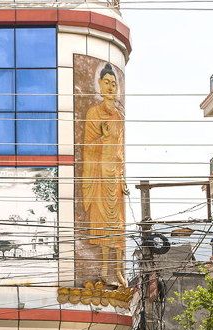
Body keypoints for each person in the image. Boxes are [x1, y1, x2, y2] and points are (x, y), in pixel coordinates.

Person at [81, 62, 126, 285]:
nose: (110, 87)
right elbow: (87, 147)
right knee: (103, 228)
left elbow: (120, 150)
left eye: (113, 83)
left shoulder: (118, 115)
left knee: (117, 227)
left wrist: (123, 177)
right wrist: (102, 137)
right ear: (99, 85)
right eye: (106, 82)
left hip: (114, 177)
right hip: (99, 175)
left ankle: (118, 271)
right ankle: (104, 271)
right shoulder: (93, 113)